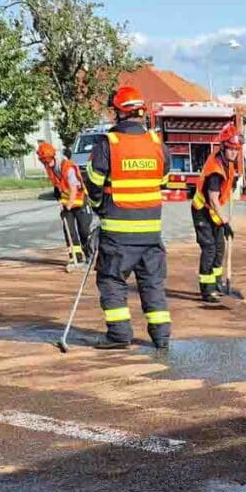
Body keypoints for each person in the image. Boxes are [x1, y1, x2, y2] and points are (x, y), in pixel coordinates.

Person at [84, 86, 171, 351]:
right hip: (151, 233)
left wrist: (99, 207)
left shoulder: (108, 145)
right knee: (152, 283)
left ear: (119, 113)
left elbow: (93, 184)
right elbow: (163, 182)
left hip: (118, 234)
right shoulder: (158, 145)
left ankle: (120, 334)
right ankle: (161, 336)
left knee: (111, 280)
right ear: (141, 112)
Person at [190, 129, 242, 305]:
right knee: (209, 248)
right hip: (202, 210)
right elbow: (212, 199)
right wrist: (225, 222)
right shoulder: (215, 171)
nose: (234, 152)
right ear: (223, 148)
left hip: (212, 211)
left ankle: (218, 283)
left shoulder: (228, 162)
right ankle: (207, 289)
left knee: (220, 246)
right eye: (231, 148)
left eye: (237, 148)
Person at [36, 140, 95, 271]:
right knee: (70, 231)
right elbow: (58, 185)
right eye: (43, 161)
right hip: (66, 202)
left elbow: (73, 189)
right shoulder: (49, 168)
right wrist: (61, 200)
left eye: (47, 160)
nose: (46, 163)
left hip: (79, 202)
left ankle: (90, 256)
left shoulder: (68, 167)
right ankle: (75, 257)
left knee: (84, 230)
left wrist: (68, 206)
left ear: (53, 157)